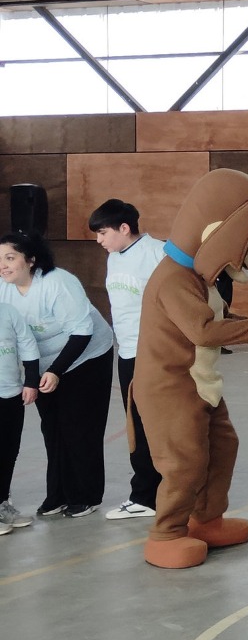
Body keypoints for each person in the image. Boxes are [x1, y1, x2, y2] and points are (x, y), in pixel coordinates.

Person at [0, 232, 115, 518]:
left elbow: (82, 332)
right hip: (42, 362)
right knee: (52, 428)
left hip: (85, 356)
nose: (3, 265)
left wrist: (56, 371)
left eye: (10, 258)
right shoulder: (4, 288)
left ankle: (86, 495)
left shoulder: (57, 283)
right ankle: (58, 494)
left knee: (79, 427)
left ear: (31, 260)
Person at [90, 199, 164, 520]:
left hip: (155, 353)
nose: (99, 240)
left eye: (103, 233)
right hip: (127, 353)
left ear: (124, 228)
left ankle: (159, 494)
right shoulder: (114, 257)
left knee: (159, 424)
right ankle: (146, 495)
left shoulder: (159, 253)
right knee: (137, 426)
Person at [0, 300, 40, 535]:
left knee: (8, 451)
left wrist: (31, 381)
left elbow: (27, 343)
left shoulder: (8, 311)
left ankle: (2, 503)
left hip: (11, 394)